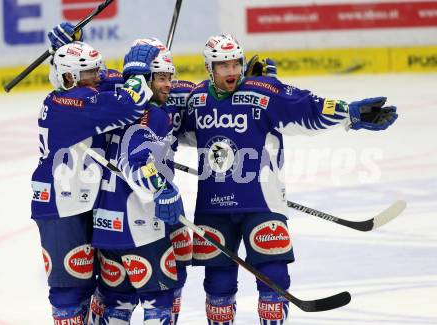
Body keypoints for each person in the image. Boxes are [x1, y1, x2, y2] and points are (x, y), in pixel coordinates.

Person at [182, 34, 398, 324]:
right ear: (210, 68)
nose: (231, 71)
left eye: (236, 63)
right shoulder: (196, 100)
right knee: (218, 286)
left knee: (274, 278)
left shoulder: (263, 91)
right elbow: (168, 127)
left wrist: (352, 113)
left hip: (261, 204)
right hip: (213, 208)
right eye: (223, 66)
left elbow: (306, 106)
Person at [31, 22, 160, 324]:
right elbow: (127, 104)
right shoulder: (68, 103)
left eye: (96, 70)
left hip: (84, 199)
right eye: (88, 73)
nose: (96, 78)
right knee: (69, 289)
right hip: (60, 205)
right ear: (67, 77)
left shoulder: (77, 94)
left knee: (102, 284)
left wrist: (66, 50)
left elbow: (109, 84)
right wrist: (138, 73)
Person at [88, 38, 192, 325]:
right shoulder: (155, 115)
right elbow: (136, 163)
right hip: (141, 226)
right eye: (160, 78)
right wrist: (162, 187)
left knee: (116, 302)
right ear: (145, 78)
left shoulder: (111, 104)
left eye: (170, 78)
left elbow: (99, 77)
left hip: (105, 225)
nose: (168, 85)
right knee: (159, 301)